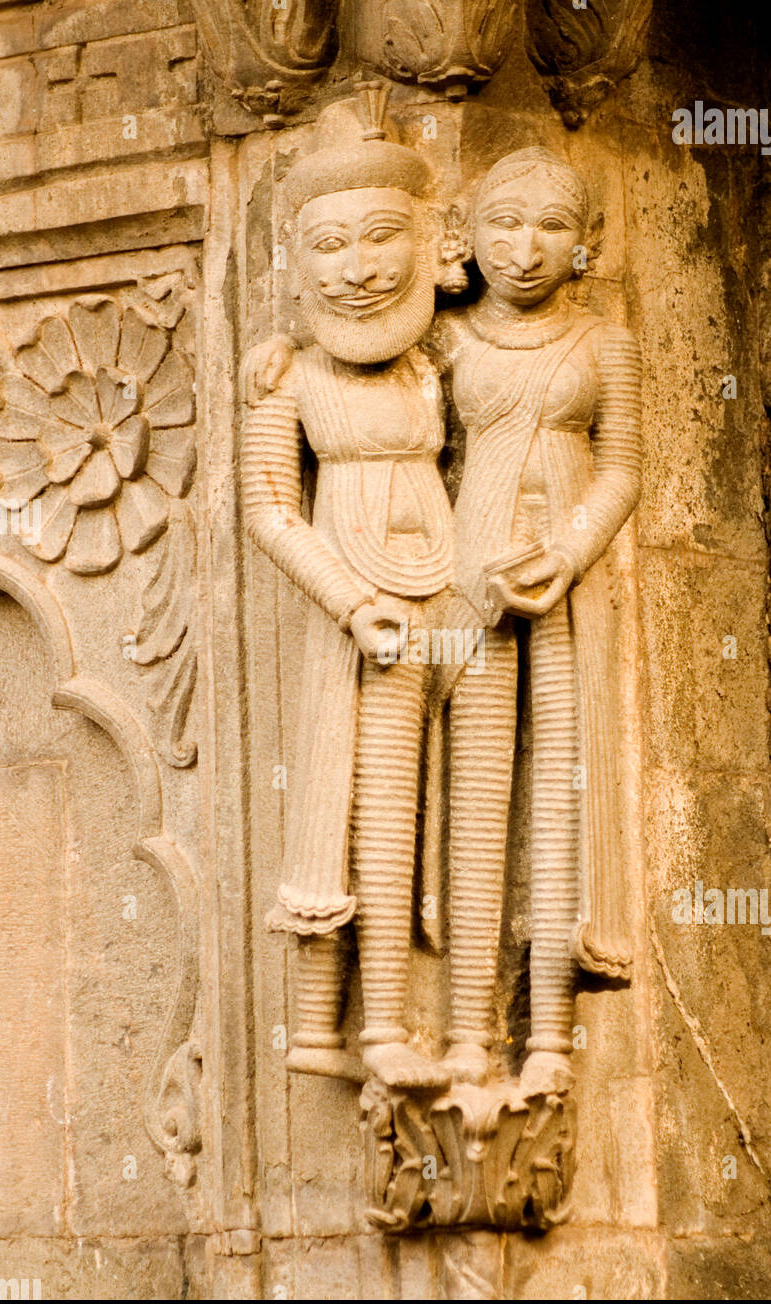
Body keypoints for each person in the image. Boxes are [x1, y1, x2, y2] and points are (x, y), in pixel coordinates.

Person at [241, 87, 461, 1090]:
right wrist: (346, 599)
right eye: (331, 246)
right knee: (334, 803)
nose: (360, 270)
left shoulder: (431, 365)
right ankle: (333, 1029)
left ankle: (387, 1022)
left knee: (403, 804)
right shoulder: (286, 375)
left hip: (434, 596)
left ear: (426, 240)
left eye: (382, 239)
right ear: (298, 261)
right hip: (352, 608)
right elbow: (269, 508)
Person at [435, 147, 643, 1095]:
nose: (525, 248)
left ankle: (551, 1037)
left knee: (563, 794)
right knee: (478, 802)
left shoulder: (604, 343)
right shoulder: (441, 340)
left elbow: (624, 467)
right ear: (465, 240)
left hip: (567, 572)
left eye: (552, 226)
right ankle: (468, 1034)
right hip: (470, 568)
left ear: (586, 245)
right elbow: (365, 393)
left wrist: (568, 549)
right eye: (503, 225)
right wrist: (280, 357)